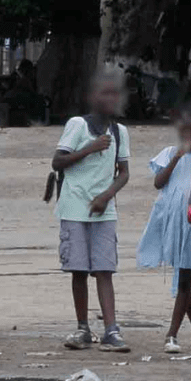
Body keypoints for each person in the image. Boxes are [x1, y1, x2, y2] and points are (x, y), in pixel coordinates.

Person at [52, 68, 132, 352]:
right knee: (78, 270)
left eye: (115, 94)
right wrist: (90, 148)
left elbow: (123, 173)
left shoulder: (120, 132)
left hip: (104, 210)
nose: (111, 99)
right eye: (105, 93)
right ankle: (82, 327)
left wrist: (106, 196)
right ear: (92, 98)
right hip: (74, 207)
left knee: (104, 270)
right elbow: (57, 162)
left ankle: (111, 329)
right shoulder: (77, 125)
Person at [136, 100, 191, 353]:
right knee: (183, 279)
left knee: (185, 278)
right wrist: (177, 157)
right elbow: (159, 182)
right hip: (170, 222)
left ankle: (172, 334)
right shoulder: (170, 152)